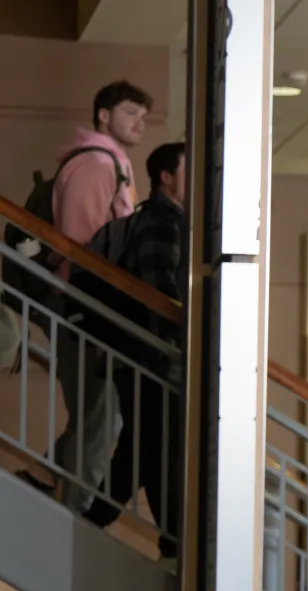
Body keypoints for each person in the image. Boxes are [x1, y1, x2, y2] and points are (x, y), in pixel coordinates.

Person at [16, 80, 152, 510]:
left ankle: (46, 480)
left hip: (82, 305)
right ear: (104, 116)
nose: (140, 123)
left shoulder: (112, 163)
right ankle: (73, 509)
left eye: (144, 117)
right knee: (101, 414)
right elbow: (79, 245)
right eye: (131, 113)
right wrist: (95, 305)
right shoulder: (97, 164)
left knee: (99, 413)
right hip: (80, 306)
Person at [81, 142, 187, 555]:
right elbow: (159, 289)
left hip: (143, 358)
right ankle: (171, 543)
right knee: (153, 450)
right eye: (187, 170)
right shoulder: (163, 223)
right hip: (152, 358)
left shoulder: (158, 220)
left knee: (147, 450)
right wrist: (185, 339)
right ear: (166, 176)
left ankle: (171, 542)